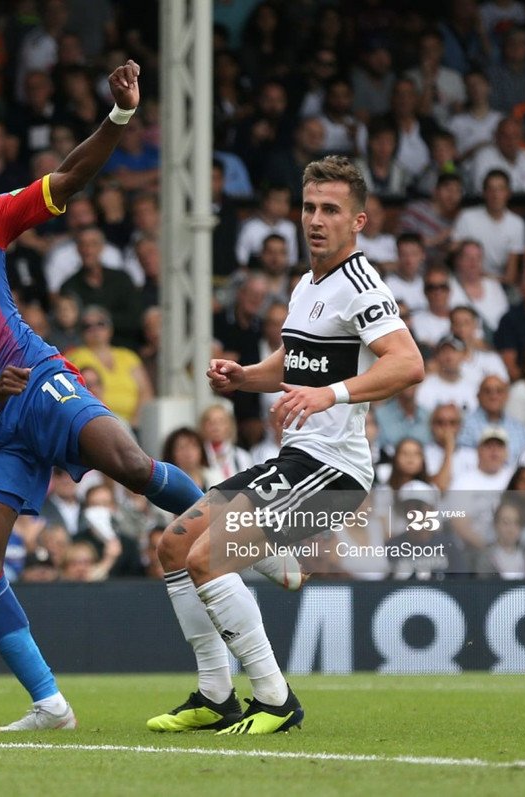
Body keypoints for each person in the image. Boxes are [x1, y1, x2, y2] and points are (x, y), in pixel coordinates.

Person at [0, 60, 208, 732]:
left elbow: (71, 178)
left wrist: (120, 115)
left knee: (133, 466)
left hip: (40, 381)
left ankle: (243, 526)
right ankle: (49, 702)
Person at [151, 156, 424, 734]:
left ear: (359, 222)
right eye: (309, 208)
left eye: (331, 210)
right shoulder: (306, 285)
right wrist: (245, 376)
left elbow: (408, 363)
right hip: (293, 462)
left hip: (335, 474)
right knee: (174, 546)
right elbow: (294, 362)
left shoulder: (361, 285)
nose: (316, 220)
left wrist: (333, 395)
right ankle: (215, 693)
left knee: (207, 558)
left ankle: (275, 699)